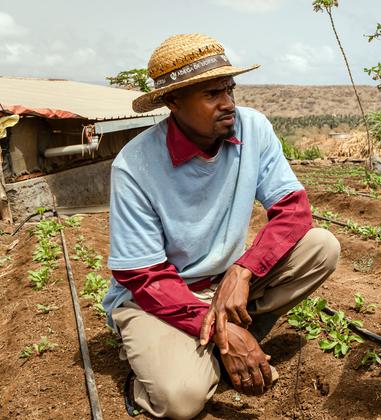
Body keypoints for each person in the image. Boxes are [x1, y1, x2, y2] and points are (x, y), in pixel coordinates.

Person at [102, 33, 340, 419]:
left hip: (225, 287)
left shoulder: (253, 128)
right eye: (212, 94)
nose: (228, 103)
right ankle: (206, 352)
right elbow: (143, 276)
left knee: (321, 247)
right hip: (160, 302)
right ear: (173, 102)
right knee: (180, 401)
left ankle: (219, 347)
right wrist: (218, 328)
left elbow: (294, 209)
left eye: (230, 89)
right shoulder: (135, 166)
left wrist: (244, 269)